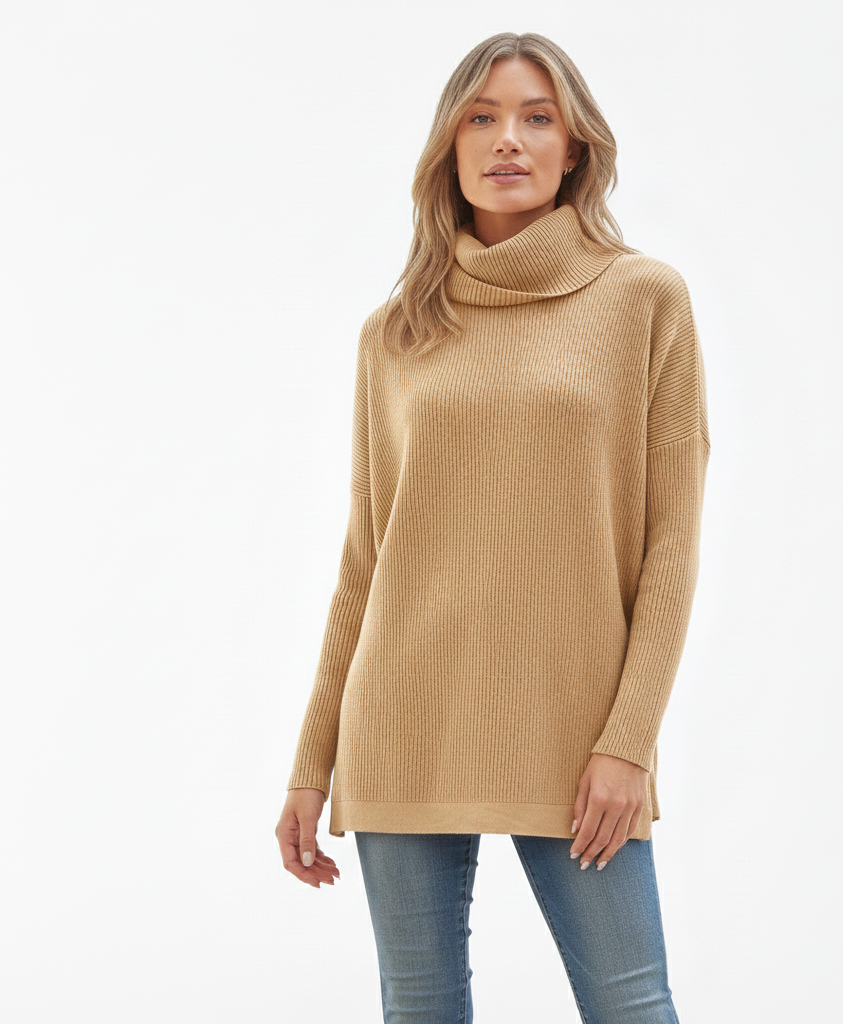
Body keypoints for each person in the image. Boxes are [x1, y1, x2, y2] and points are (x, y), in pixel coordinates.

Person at [274, 31, 711, 1023]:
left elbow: (673, 546)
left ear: (574, 147)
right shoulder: (395, 333)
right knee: (420, 1007)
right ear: (451, 145)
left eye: (535, 117)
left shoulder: (644, 298)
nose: (507, 138)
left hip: (578, 731)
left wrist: (629, 742)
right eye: (482, 117)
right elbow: (364, 561)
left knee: (632, 1004)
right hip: (405, 721)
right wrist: (310, 764)